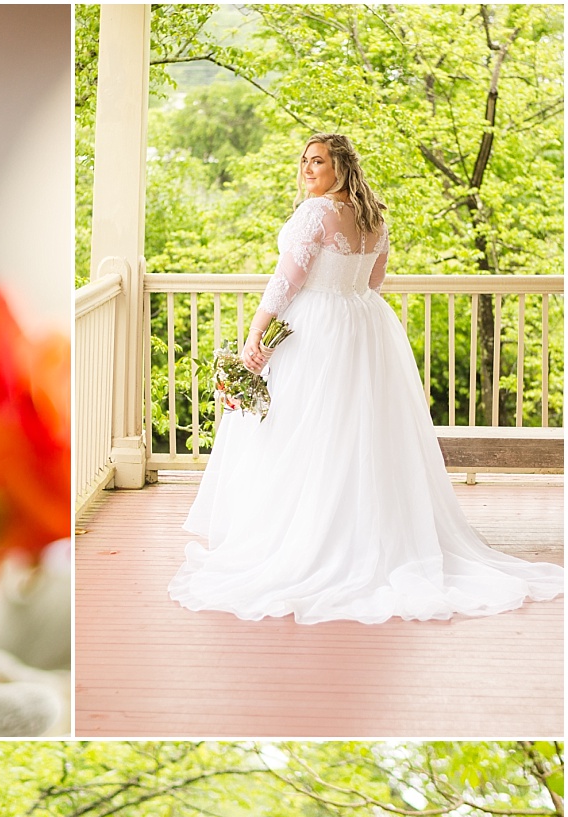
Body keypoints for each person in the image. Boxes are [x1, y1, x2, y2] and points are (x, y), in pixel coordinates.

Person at [169, 132, 564, 624]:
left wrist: (256, 334)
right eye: (305, 160)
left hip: (316, 328)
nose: (308, 169)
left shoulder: (314, 214)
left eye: (318, 161)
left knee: (300, 430)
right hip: (364, 324)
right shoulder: (374, 215)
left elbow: (286, 281)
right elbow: (375, 281)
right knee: (360, 432)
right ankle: (366, 534)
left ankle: (309, 539)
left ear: (340, 167)